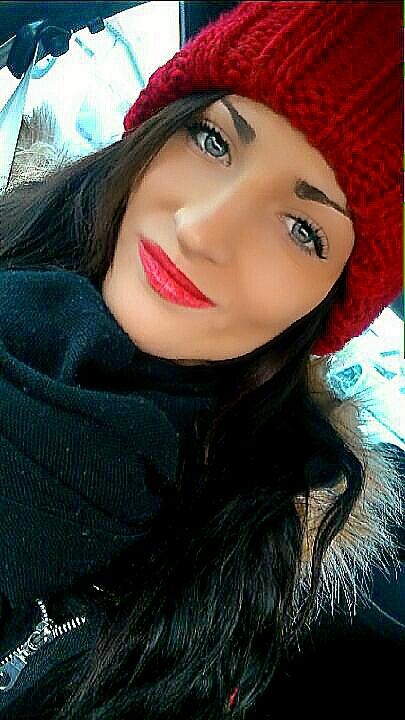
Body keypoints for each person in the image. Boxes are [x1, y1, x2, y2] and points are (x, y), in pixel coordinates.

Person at [0, 1, 402, 718]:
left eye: (302, 229)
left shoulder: (241, 586)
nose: (200, 229)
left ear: (327, 305)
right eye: (213, 140)